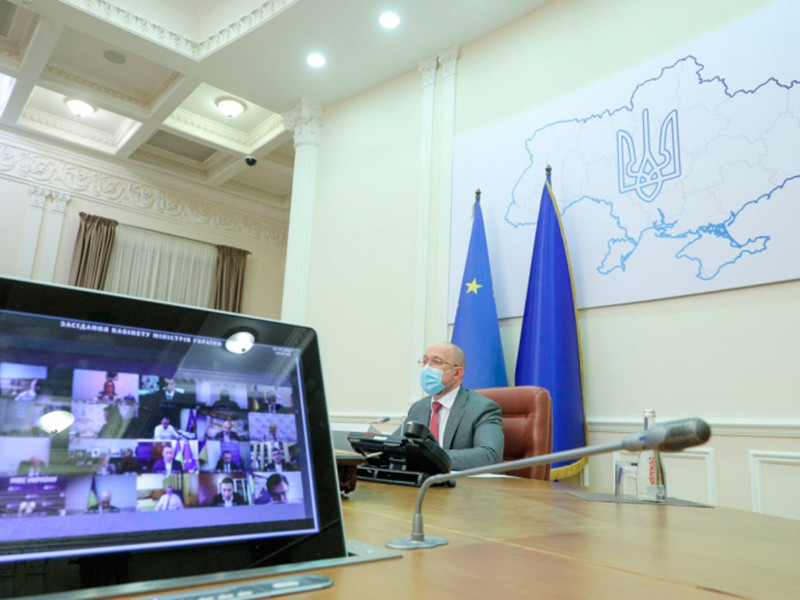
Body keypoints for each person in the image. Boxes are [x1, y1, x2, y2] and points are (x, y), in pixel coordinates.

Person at [406, 342, 504, 471]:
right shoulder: (418, 408)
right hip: (424, 480)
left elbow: (489, 455)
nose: (427, 368)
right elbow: (398, 445)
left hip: (464, 482)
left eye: (436, 362)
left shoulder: (482, 408)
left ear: (457, 373)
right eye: (425, 361)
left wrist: (431, 458)